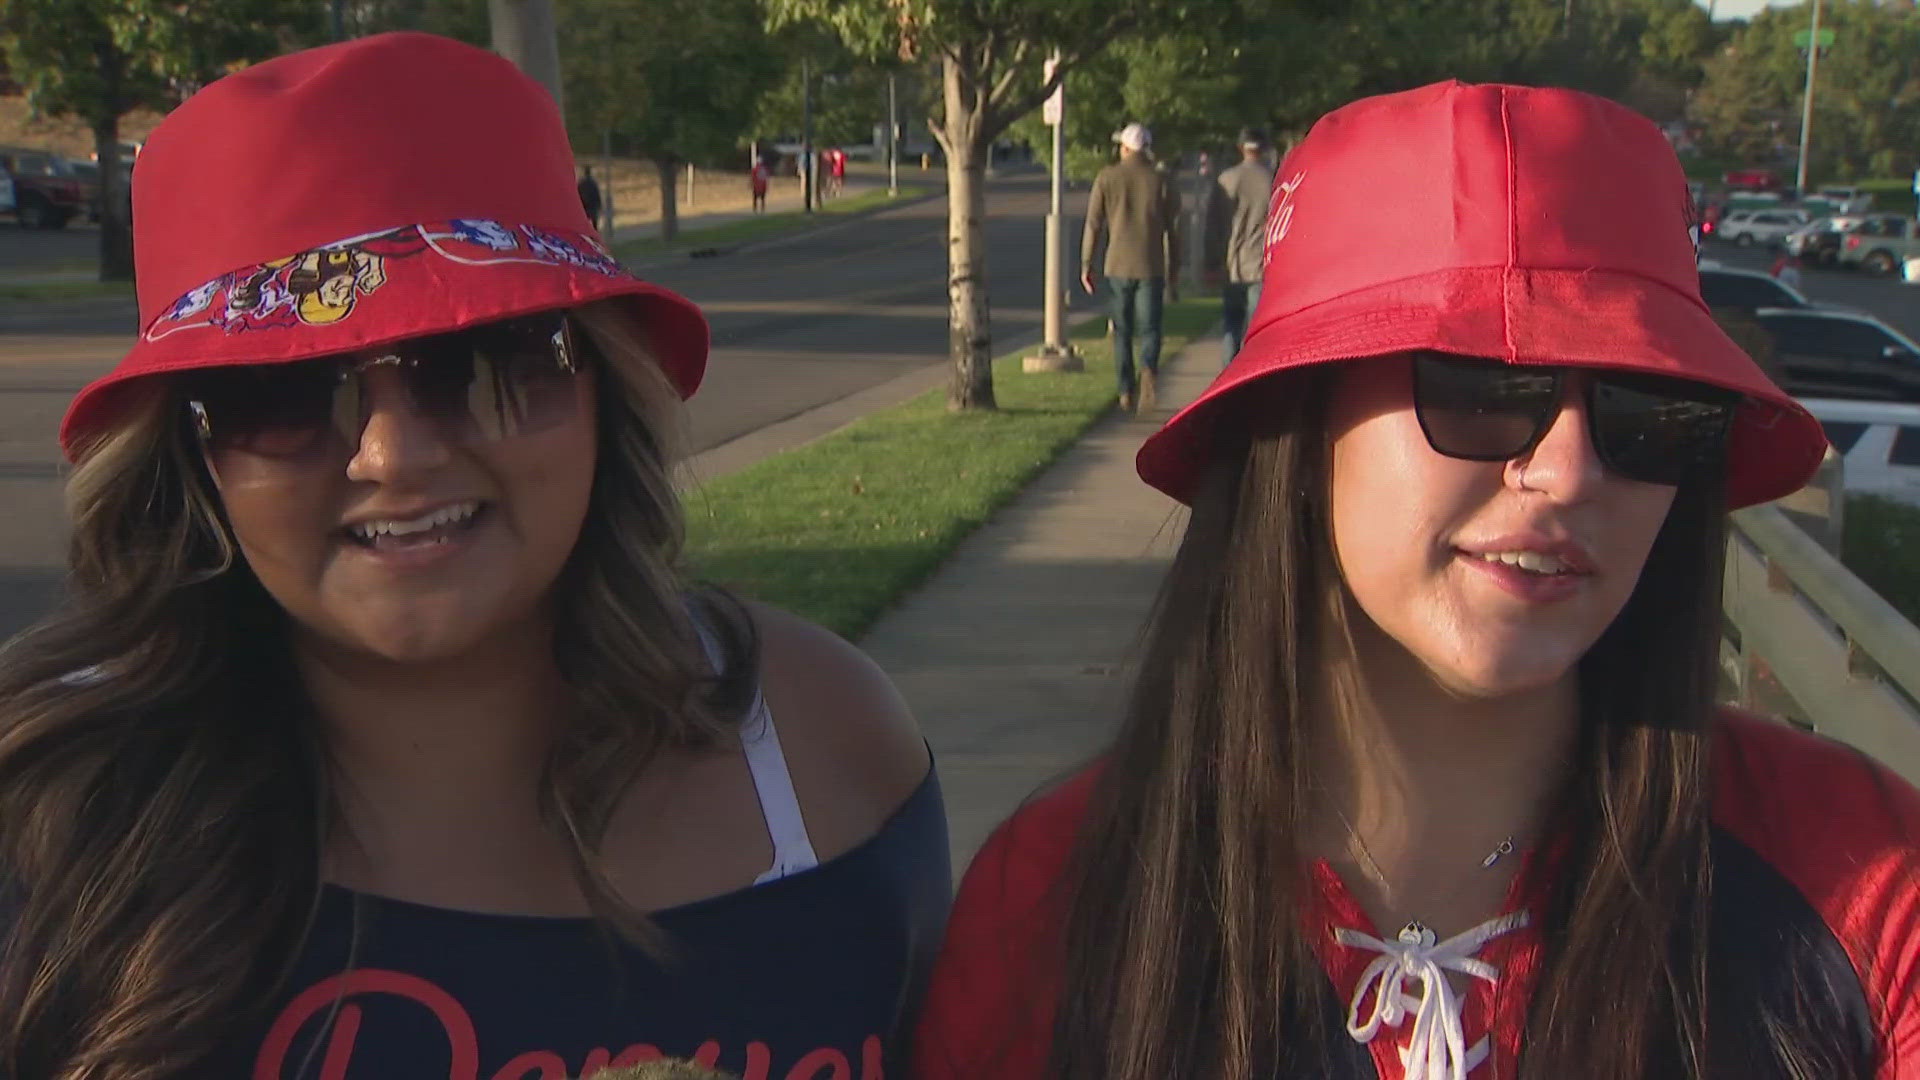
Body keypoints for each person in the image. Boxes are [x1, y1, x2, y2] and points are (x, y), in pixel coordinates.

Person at [916, 81, 1918, 1080]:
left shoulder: (1863, 881)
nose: (1569, 473)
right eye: (1483, 387)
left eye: (1647, 410)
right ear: (1301, 435)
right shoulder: (1051, 902)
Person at [0, 33, 950, 1080]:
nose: (393, 455)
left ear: (601, 385)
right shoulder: (47, 824)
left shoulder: (828, 753)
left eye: (482, 361)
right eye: (281, 394)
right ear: (186, 453)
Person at [1081, 121, 1181, 414]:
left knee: (1122, 331)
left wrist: (1087, 262)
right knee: (1150, 328)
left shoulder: (1107, 177)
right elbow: (1174, 230)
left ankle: (1126, 389)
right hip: (1151, 265)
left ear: (1124, 148)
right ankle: (1148, 369)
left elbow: (1093, 224)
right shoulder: (1161, 180)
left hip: (1117, 264)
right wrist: (1175, 266)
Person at [1205, 125, 1276, 367]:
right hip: (1261, 264)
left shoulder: (1226, 180)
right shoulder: (1274, 180)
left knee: (1231, 325)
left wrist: (1211, 262)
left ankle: (1228, 376)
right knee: (1256, 332)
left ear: (1240, 148)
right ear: (1264, 149)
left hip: (1232, 264)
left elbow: (1212, 226)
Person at [577, 164, 603, 229]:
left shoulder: (581, 183)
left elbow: (578, 194)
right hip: (593, 206)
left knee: (585, 223)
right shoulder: (593, 183)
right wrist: (599, 205)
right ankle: (594, 236)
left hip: (584, 206)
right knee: (594, 224)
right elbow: (597, 195)